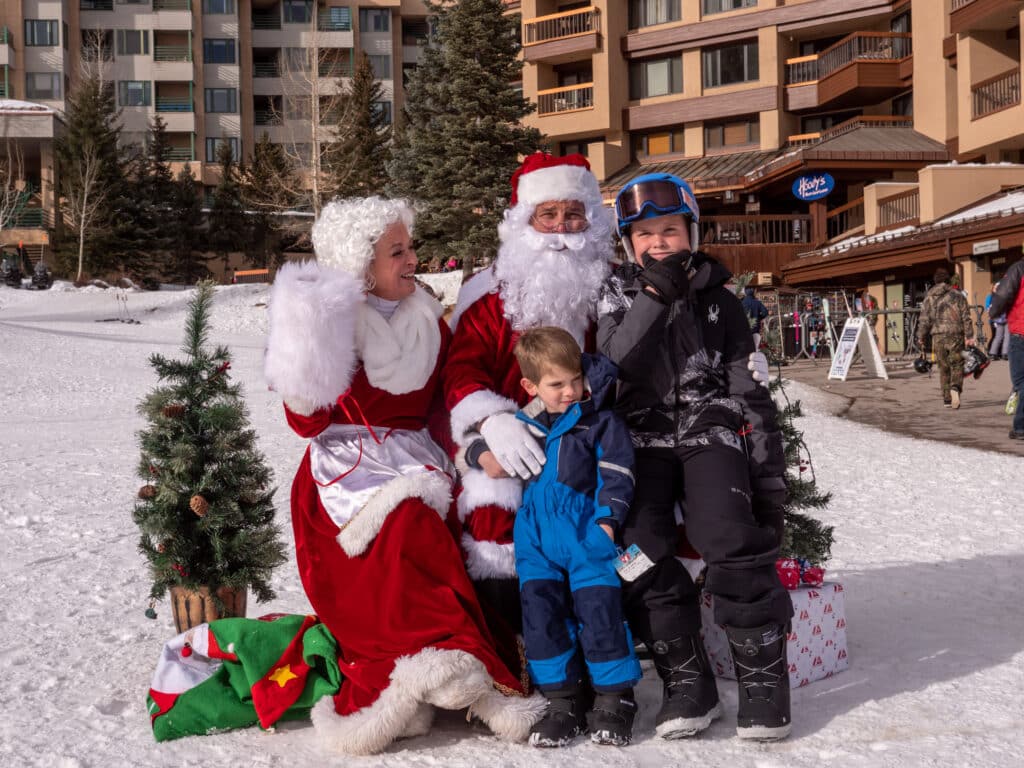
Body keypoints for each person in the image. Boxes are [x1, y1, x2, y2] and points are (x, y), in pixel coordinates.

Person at [263, 197, 543, 755]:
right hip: (345, 471)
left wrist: (477, 447)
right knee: (406, 525)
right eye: (398, 251)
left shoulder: (428, 321)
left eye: (410, 246)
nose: (413, 258)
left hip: (419, 458)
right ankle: (430, 662)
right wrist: (306, 349)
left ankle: (458, 660)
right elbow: (305, 421)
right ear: (361, 265)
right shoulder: (334, 323)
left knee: (450, 523)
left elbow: (442, 406)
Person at [598, 172, 793, 741]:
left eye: (670, 230)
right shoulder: (615, 298)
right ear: (627, 243)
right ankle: (688, 680)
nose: (658, 242)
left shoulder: (721, 301)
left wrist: (770, 479)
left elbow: (748, 393)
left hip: (711, 433)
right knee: (635, 549)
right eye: (644, 233)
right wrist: (655, 297)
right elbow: (615, 366)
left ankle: (763, 677)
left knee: (729, 534)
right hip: (643, 438)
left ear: (692, 232)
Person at [443, 152, 616, 660]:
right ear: (525, 221)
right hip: (499, 442)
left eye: (574, 215)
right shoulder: (488, 296)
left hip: (583, 437)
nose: (562, 229)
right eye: (549, 215)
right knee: (493, 511)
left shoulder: (606, 291)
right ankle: (509, 651)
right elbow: (461, 370)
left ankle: (592, 641)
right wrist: (492, 421)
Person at [508, 328, 641, 748]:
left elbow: (617, 471)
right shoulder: (522, 424)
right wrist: (478, 451)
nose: (570, 390)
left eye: (575, 379)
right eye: (556, 384)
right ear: (531, 386)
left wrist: (607, 521)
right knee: (541, 618)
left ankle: (614, 696)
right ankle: (562, 699)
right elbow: (483, 454)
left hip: (585, 534)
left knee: (599, 611)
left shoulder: (599, 421)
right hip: (535, 543)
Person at [917, 267, 975, 410]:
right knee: (957, 364)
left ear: (936, 281)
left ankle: (947, 399)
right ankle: (955, 387)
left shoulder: (929, 296)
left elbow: (924, 319)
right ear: (948, 280)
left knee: (943, 367)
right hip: (956, 334)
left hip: (938, 335)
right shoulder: (958, 295)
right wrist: (969, 335)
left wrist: (921, 336)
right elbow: (965, 316)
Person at [988, 257, 1024, 439]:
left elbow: (1003, 294)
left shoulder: (1018, 269)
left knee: (1020, 381)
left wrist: (993, 311)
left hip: (1021, 333)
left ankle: (1021, 427)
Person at [987, 282, 1011, 360]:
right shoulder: (1003, 295)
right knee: (1005, 336)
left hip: (999, 319)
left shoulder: (994, 297)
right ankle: (1004, 353)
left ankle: (993, 353)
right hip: (1005, 318)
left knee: (999, 336)